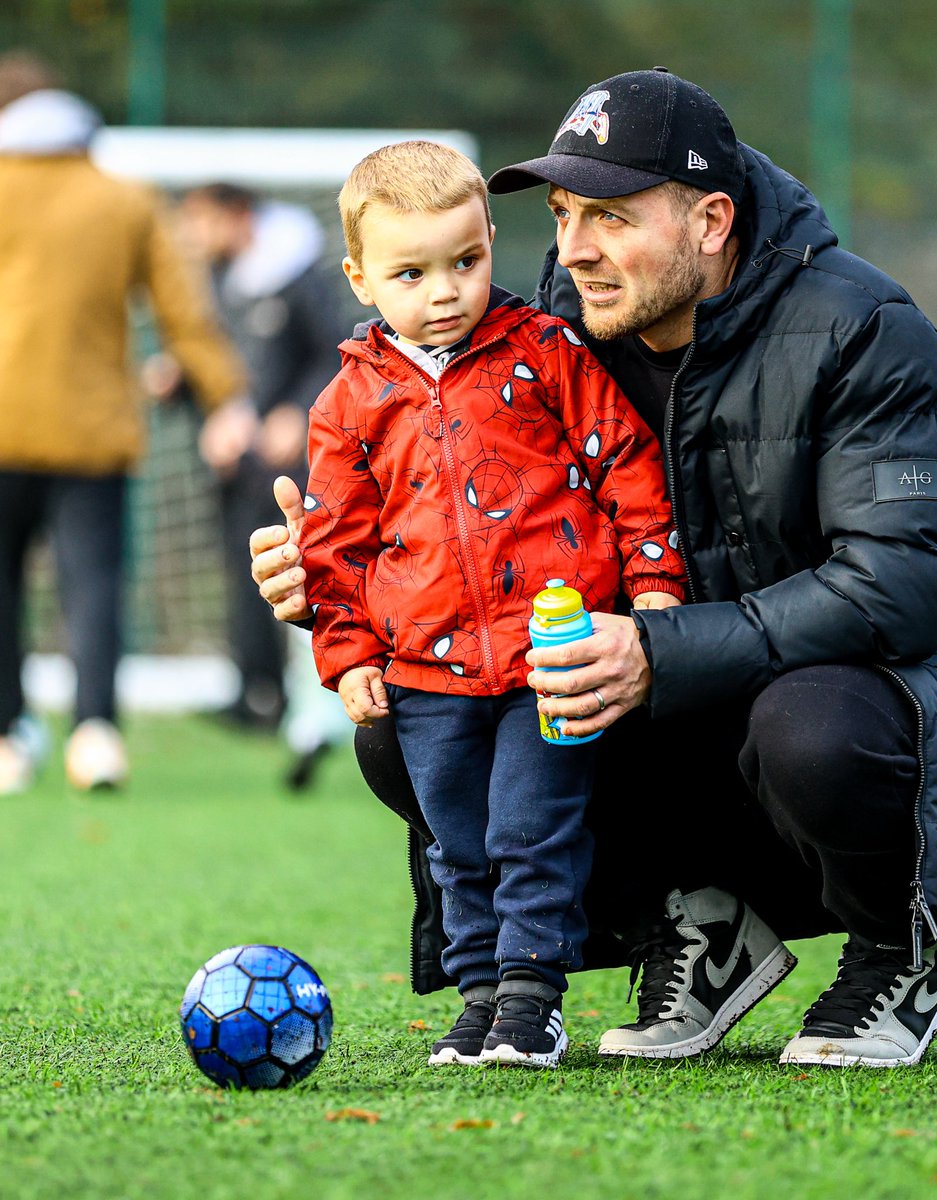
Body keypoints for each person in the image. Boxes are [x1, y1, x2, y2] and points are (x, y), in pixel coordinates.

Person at [252, 69, 937, 1068]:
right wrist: (339, 586)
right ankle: (696, 918)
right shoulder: (548, 326)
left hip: (916, 706)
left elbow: (901, 591)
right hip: (690, 696)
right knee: (417, 720)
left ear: (712, 219)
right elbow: (474, 541)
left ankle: (898, 944)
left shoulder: (867, 330)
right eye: (560, 214)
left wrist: (657, 646)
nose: (575, 247)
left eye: (611, 216)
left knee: (811, 726)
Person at [303, 140, 686, 1068]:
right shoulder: (349, 403)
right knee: (457, 841)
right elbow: (334, 544)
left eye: (465, 261)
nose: (445, 290)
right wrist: (349, 654)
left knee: (530, 825)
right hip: (427, 670)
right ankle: (479, 996)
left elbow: (626, 463)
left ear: (489, 243)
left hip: (550, 656)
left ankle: (531, 1000)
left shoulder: (546, 352)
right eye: (412, 272)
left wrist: (653, 582)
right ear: (360, 277)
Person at [0, 52, 247, 793]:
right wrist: (224, 395)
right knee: (95, 583)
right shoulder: (126, 199)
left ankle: (8, 739)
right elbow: (185, 312)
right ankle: (95, 734)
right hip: (94, 430)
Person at [170, 182, 349, 736]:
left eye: (203, 221)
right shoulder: (220, 279)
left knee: (299, 571)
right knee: (243, 572)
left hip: (293, 465)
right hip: (236, 461)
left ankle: (312, 700)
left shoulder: (300, 276)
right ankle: (254, 692)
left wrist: (296, 412)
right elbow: (218, 359)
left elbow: (335, 351)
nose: (195, 236)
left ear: (237, 215)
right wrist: (181, 384)